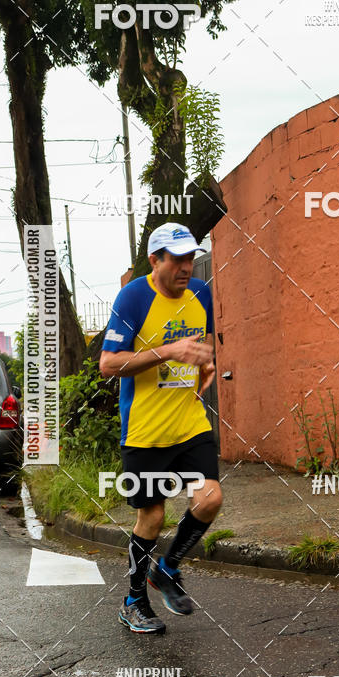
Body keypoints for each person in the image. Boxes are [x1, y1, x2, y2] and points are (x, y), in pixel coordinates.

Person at [100, 222, 221, 634]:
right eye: (177, 259)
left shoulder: (201, 292)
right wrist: (168, 350)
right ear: (155, 260)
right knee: (151, 517)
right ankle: (134, 601)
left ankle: (166, 569)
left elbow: (202, 341)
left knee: (209, 499)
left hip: (189, 421)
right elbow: (109, 364)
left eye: (191, 258)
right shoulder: (133, 297)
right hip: (145, 430)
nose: (187, 266)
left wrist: (205, 361)